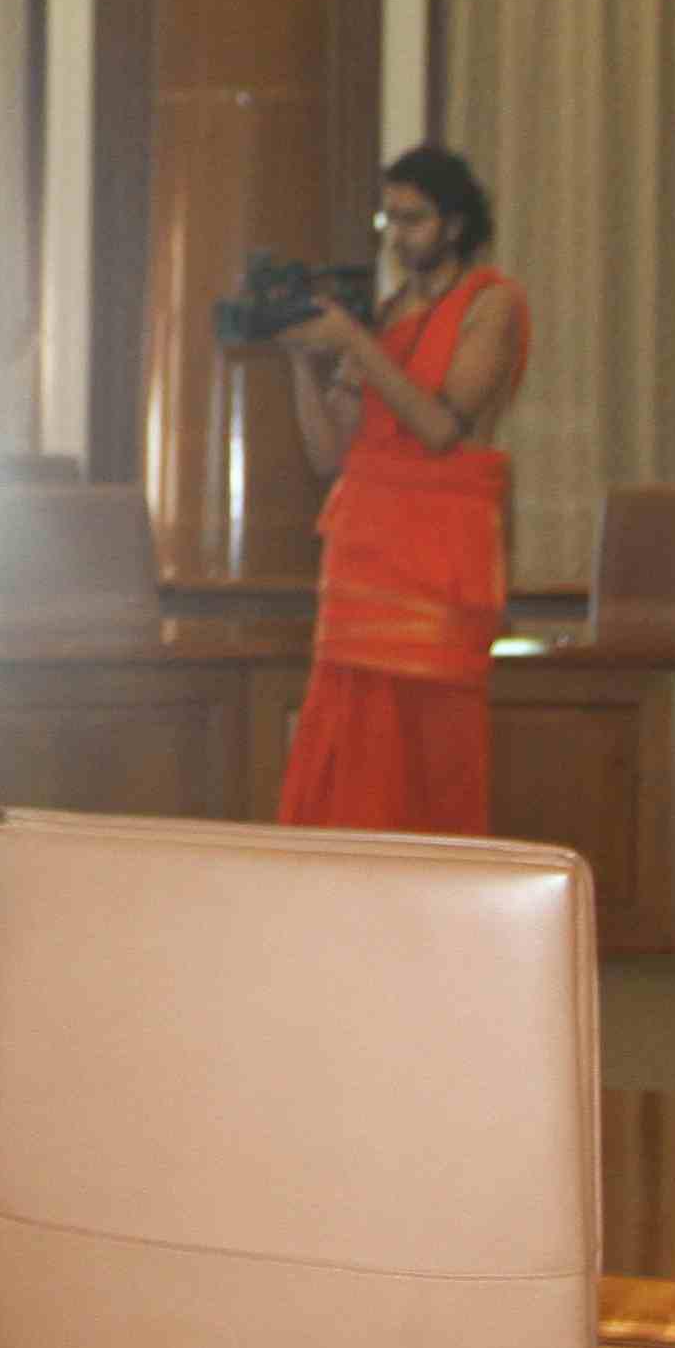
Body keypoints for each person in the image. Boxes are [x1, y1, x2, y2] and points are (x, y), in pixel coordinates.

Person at [271, 144, 529, 833]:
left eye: (413, 219)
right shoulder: (384, 315)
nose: (398, 236)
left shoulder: (492, 304)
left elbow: (442, 426)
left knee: (429, 752)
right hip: (362, 557)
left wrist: (356, 343)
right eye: (389, 220)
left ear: (454, 223)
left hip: (440, 564)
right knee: (346, 749)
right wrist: (302, 363)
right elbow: (329, 453)